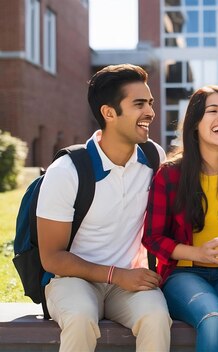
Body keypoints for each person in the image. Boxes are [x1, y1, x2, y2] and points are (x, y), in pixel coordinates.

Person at [37, 64, 171, 352]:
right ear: (109, 113)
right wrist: (116, 274)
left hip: (129, 281)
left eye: (150, 103)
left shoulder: (153, 156)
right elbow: (51, 258)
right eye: (139, 104)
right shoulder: (67, 171)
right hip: (73, 280)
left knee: (157, 317)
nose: (150, 112)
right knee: (80, 318)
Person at [142, 85, 218, 352]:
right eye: (213, 110)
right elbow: (152, 238)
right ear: (195, 122)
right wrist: (198, 253)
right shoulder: (170, 174)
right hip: (184, 274)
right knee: (212, 319)